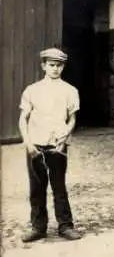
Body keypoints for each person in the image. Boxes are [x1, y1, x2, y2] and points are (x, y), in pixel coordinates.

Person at [18, 47, 82, 242]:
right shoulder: (32, 90)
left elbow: (72, 119)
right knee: (36, 188)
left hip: (57, 146)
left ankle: (65, 226)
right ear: (44, 66)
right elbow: (23, 119)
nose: (55, 69)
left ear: (63, 67)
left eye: (59, 65)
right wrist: (28, 142)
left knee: (59, 187)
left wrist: (66, 136)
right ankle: (38, 227)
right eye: (51, 65)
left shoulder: (70, 91)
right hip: (36, 146)